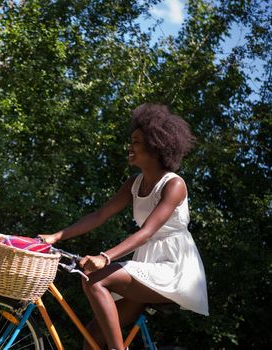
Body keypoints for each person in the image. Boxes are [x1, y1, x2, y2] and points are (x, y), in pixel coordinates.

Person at [39, 104, 208, 350]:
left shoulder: (174, 185)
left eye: (136, 142)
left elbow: (147, 231)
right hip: (147, 264)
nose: (130, 147)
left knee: (93, 280)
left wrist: (105, 258)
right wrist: (55, 236)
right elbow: (99, 215)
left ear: (155, 145)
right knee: (93, 338)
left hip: (173, 268)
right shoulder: (133, 184)